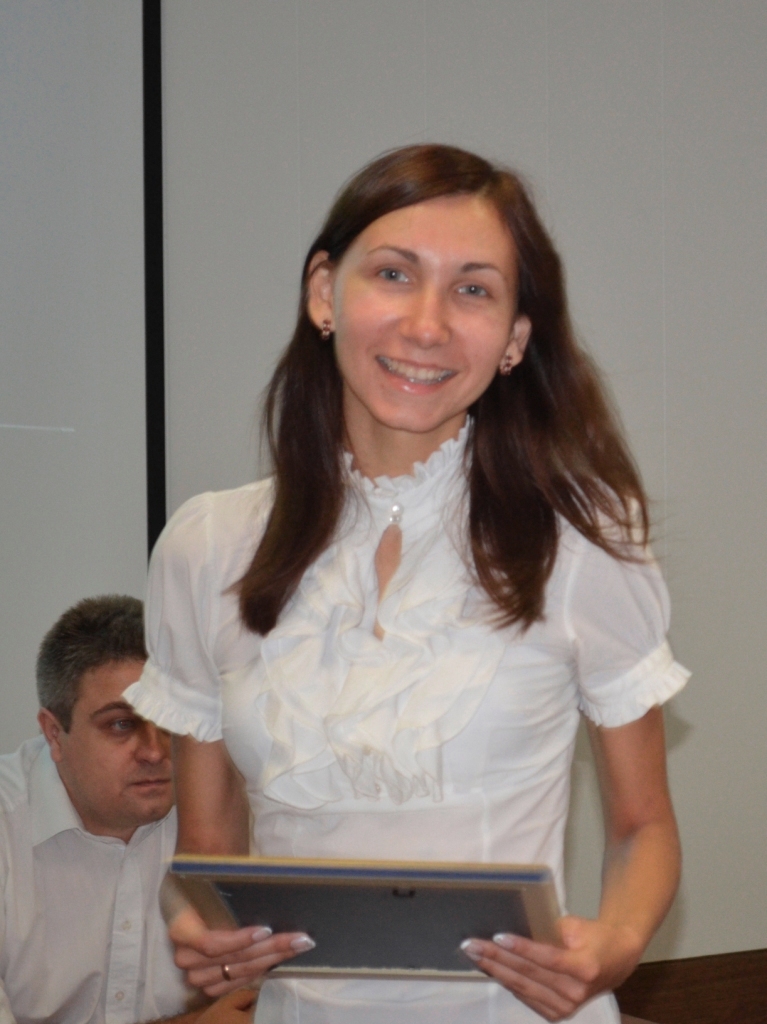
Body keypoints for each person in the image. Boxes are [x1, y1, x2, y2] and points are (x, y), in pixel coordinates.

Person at [125, 144, 689, 1024]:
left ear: (514, 338)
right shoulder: (206, 546)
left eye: (473, 290)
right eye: (393, 274)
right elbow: (204, 853)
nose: (427, 325)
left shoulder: (582, 538)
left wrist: (612, 944)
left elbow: (641, 825)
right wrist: (193, 923)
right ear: (324, 293)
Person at [0, 595, 256, 1024]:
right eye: (122, 723)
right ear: (54, 733)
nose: (155, 752)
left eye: (169, 721)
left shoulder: (235, 807)